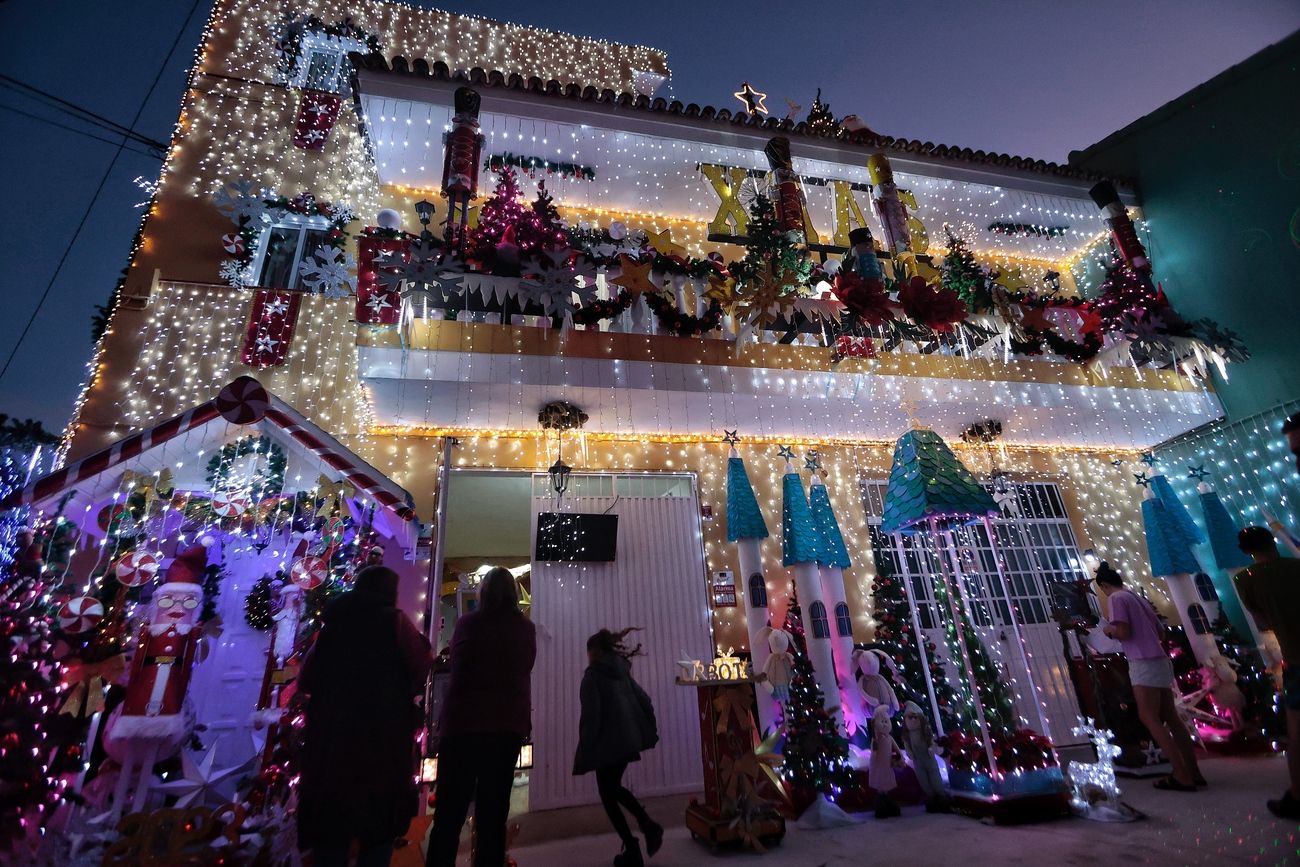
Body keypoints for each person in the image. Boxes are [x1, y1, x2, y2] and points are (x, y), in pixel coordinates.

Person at [298, 566, 433, 867]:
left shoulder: (333, 625)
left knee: (331, 828)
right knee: (377, 827)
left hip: (332, 740)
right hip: (380, 739)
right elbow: (423, 663)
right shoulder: (395, 622)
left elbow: (307, 677)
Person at [428, 567, 537, 867]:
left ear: (483, 593)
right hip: (505, 727)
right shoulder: (525, 629)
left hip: (463, 726)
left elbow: (459, 670)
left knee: (449, 814)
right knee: (493, 813)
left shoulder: (468, 624)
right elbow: (524, 668)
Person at [1094, 561, 1204, 792]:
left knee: (1149, 717)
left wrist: (1108, 631)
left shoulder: (1116, 599)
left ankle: (1181, 774)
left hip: (1142, 662)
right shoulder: (1136, 597)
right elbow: (1161, 631)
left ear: (1104, 585)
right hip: (1160, 659)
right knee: (1171, 716)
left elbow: (1123, 631)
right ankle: (1194, 771)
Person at [573, 628, 663, 867]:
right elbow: (645, 700)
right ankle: (645, 828)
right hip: (626, 742)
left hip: (607, 745)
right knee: (612, 789)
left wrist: (586, 749)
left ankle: (635, 844)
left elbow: (591, 717)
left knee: (608, 792)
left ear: (594, 652)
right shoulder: (622, 673)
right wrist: (647, 729)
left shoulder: (592, 677)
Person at [1236, 525, 1300, 818]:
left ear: (1246, 551)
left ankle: (1297, 795)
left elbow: (1262, 622)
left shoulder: (1246, 579)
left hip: (1296, 657)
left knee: (1296, 732)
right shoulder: (1295, 566)